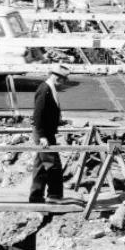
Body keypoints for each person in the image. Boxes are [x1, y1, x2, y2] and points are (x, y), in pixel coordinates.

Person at [29, 65, 73, 203]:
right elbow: (38, 114)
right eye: (64, 80)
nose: (64, 83)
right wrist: (42, 136)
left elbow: (47, 112)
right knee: (53, 163)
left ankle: (36, 196)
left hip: (45, 132)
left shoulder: (49, 88)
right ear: (58, 78)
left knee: (41, 165)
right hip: (43, 133)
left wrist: (57, 121)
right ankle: (54, 195)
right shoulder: (45, 90)